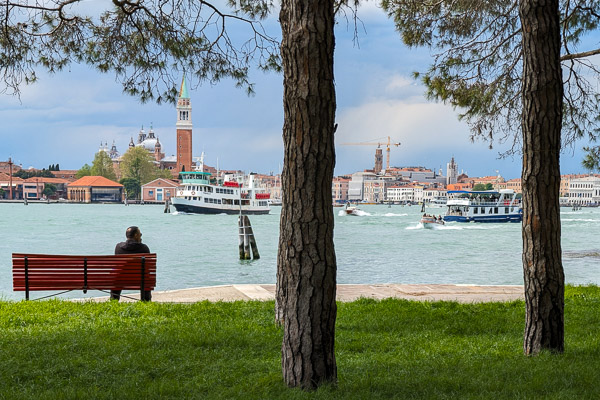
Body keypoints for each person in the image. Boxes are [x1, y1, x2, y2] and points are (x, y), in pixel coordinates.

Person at [111, 226, 152, 301]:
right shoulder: (144, 248)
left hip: (120, 279)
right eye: (140, 234)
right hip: (140, 280)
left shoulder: (118, 247)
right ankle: (146, 301)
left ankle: (114, 300)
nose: (141, 236)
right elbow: (148, 267)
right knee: (146, 278)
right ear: (136, 235)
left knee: (116, 275)